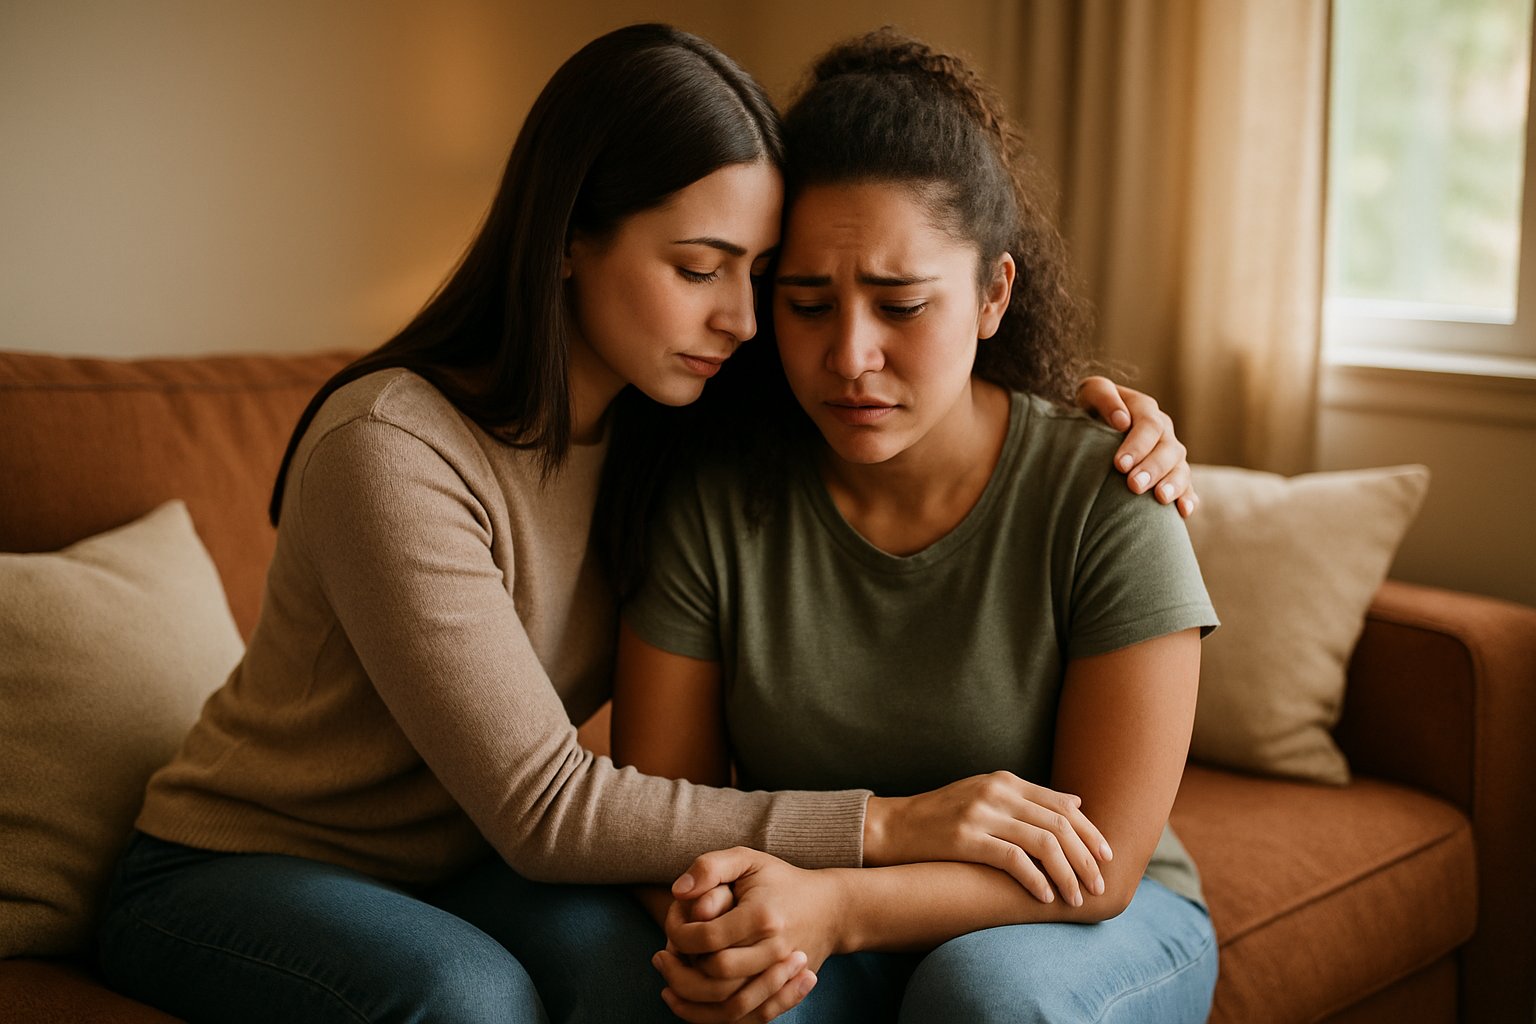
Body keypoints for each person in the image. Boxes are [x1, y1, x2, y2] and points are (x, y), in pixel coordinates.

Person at [95, 23, 1197, 1024]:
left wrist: (1095, 415)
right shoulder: (390, 447)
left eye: (759, 277)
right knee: (470, 997)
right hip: (258, 863)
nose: (745, 320)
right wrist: (896, 825)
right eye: (701, 269)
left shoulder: (673, 421)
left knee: (697, 982)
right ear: (570, 239)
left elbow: (946, 404)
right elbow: (549, 805)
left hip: (467, 865)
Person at [613, 28, 1220, 1024]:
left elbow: (1101, 866)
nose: (850, 355)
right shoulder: (716, 500)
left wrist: (841, 906)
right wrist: (735, 922)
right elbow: (659, 822)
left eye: (900, 304)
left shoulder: (1108, 490)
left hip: (1084, 921)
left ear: (993, 295)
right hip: (808, 906)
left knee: (982, 995)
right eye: (806, 303)